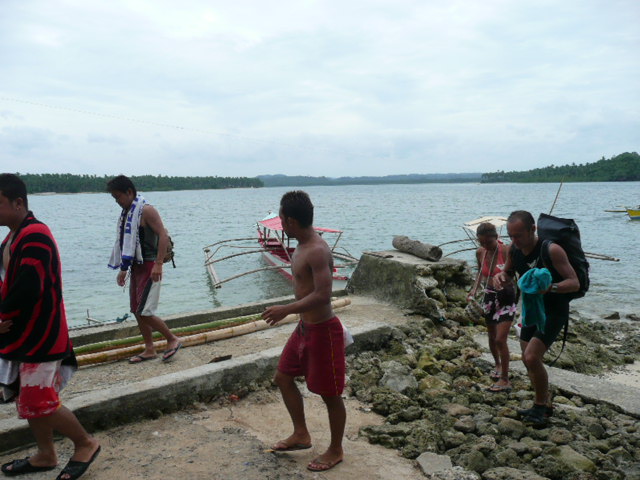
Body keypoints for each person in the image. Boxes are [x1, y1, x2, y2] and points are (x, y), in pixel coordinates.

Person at [0, 174, 100, 480]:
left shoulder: (35, 235)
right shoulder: (13, 236)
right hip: (22, 335)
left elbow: (29, 288)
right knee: (27, 398)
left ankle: (85, 443)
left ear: (18, 203)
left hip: (41, 334)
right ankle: (46, 454)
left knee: (38, 399)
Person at [262, 191, 346, 473]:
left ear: (291, 221)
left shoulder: (317, 250)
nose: (280, 224)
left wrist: (286, 309)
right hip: (304, 328)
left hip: (324, 332)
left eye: (282, 219)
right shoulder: (300, 245)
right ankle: (301, 434)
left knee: (330, 394)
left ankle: (336, 449)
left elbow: (323, 295)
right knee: (283, 377)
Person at [494, 210, 579, 426]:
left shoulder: (551, 250)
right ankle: (544, 403)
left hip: (554, 310)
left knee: (532, 357)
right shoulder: (514, 249)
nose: (515, 240)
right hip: (532, 309)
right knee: (527, 359)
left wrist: (551, 288)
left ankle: (540, 407)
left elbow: (574, 282)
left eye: (519, 235)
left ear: (533, 229)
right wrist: (501, 277)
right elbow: (508, 273)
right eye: (511, 236)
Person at [106, 175, 181, 363]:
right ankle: (149, 348)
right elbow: (128, 243)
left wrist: (158, 264)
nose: (117, 201)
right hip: (136, 266)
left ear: (129, 192)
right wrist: (124, 268)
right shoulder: (127, 214)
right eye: (114, 198)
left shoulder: (147, 211)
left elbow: (162, 235)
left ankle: (172, 339)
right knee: (135, 309)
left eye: (118, 197)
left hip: (149, 265)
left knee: (144, 311)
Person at [467, 222, 517, 392]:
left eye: (488, 242)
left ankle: (505, 378)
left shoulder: (506, 251)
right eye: (481, 242)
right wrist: (474, 290)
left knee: (500, 339)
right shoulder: (480, 252)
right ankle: (497, 364)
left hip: (506, 296)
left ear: (496, 237)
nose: (485, 246)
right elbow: (480, 272)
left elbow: (516, 273)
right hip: (488, 296)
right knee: (491, 335)